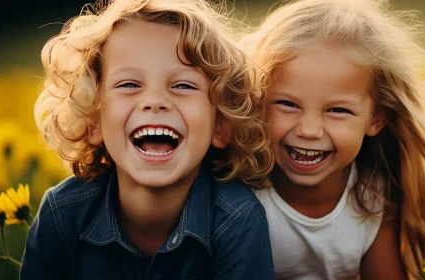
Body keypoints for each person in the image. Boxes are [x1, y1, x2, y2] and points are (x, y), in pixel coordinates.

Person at [21, 0, 275, 279]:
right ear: (94, 119)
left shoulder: (238, 221)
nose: (155, 101)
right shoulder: (61, 216)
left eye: (183, 85)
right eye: (129, 84)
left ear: (221, 125)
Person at [242, 0, 425, 278]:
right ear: (258, 101)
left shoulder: (375, 199)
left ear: (376, 119)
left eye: (337, 110)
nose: (309, 130)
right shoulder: (239, 189)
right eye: (288, 104)